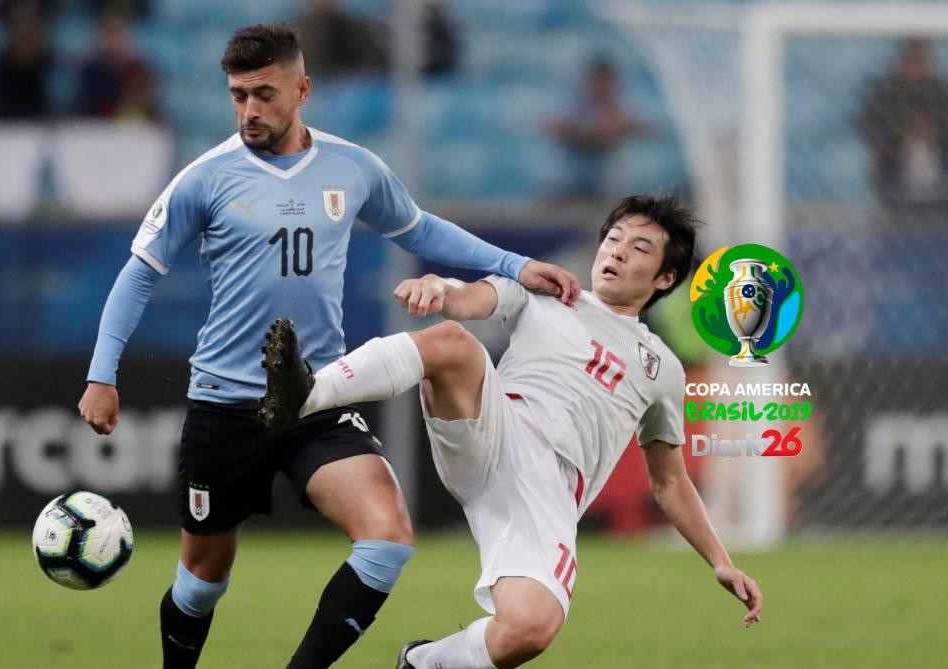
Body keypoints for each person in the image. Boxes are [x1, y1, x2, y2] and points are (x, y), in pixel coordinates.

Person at [76, 23, 580, 669]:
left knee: (389, 538)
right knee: (202, 581)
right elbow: (140, 271)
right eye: (237, 96)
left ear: (302, 89)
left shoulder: (353, 167)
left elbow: (420, 229)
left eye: (263, 93)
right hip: (225, 406)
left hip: (315, 396)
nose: (249, 110)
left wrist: (513, 264)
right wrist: (101, 373)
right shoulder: (205, 178)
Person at [259, 194, 764, 669]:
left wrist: (720, 561)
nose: (617, 251)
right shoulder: (549, 293)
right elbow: (471, 297)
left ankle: (424, 661)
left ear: (664, 277)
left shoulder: (665, 370)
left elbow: (669, 481)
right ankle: (305, 395)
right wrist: (439, 288)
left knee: (531, 628)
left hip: (549, 494)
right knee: (454, 344)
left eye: (639, 248)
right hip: (496, 427)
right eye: (613, 237)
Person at [857, 38, 948, 204]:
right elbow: (865, 124)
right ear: (901, 62)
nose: (916, 67)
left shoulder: (940, 93)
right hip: (895, 167)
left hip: (939, 164)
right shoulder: (886, 92)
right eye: (911, 60)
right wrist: (902, 133)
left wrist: (933, 133)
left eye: (920, 61)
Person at [545, 57, 650, 199]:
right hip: (569, 181)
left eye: (606, 83)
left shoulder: (619, 107)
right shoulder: (572, 104)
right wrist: (586, 133)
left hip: (604, 184)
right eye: (597, 81)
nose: (601, 88)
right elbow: (551, 127)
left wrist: (620, 127)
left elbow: (647, 128)